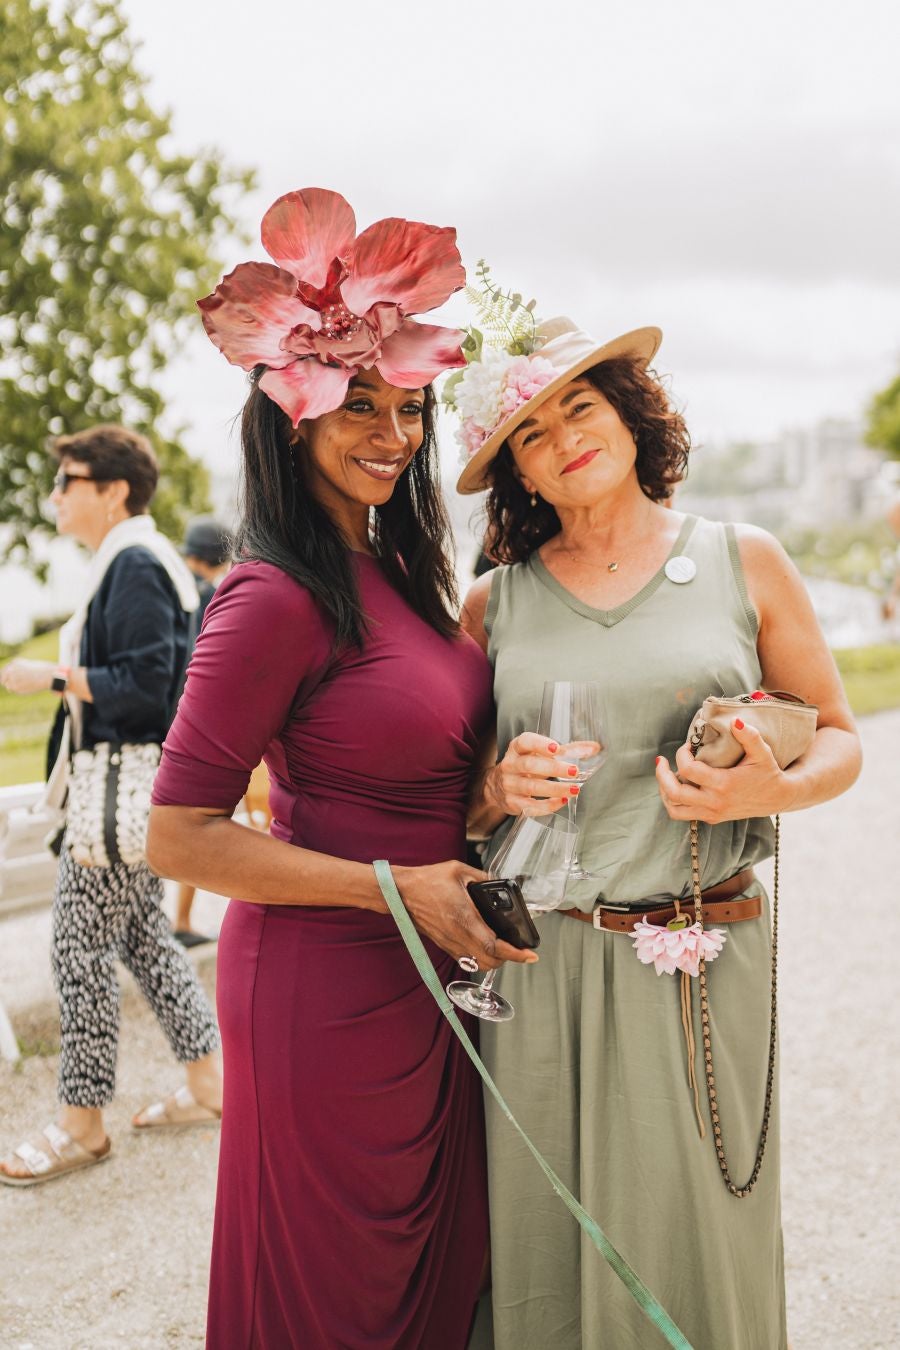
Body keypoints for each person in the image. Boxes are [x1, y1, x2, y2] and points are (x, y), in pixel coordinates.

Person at [146, 187, 536, 1350]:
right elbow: (177, 838)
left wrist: (483, 802)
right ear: (290, 408)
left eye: (408, 406)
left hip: (436, 976)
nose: (394, 434)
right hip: (325, 987)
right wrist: (394, 886)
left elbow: (424, 771)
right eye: (359, 405)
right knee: (338, 1295)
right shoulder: (268, 595)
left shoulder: (406, 578)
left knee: (437, 1278)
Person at [452, 312, 863, 1350]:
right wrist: (496, 788)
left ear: (632, 416)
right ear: (521, 478)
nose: (563, 440)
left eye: (579, 408)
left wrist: (755, 793)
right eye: (531, 435)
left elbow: (843, 742)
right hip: (541, 970)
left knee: (694, 1240)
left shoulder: (745, 560)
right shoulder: (491, 607)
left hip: (697, 955)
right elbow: (453, 808)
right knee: (547, 1241)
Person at [0, 424, 223, 1188]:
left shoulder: (131, 564)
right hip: (134, 796)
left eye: (70, 481)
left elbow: (146, 687)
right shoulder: (138, 559)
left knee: (77, 952)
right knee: (145, 943)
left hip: (114, 796)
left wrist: (51, 678)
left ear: (115, 489)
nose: (56, 495)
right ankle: (207, 1084)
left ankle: (82, 1125)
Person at [172, 516, 234, 945]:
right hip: (207, 727)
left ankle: (180, 920)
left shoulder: (177, 596)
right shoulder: (215, 597)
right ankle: (181, 920)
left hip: (174, 723)